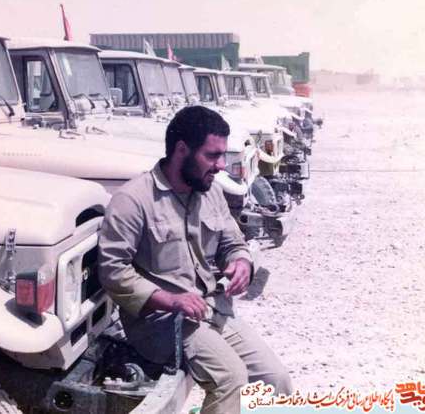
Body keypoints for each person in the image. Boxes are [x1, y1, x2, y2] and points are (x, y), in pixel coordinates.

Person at [98, 106, 292, 414]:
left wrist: (241, 262)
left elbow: (232, 242)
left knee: (275, 379)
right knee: (231, 380)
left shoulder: (210, 192)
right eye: (212, 156)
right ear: (181, 150)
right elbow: (113, 271)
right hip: (160, 323)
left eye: (222, 156)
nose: (220, 166)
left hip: (212, 309)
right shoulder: (133, 200)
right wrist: (170, 300)